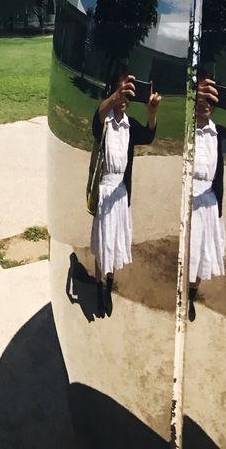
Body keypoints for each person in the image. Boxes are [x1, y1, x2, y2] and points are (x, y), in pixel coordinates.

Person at [90, 71, 160, 315]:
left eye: (127, 94)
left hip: (121, 193)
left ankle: (109, 285)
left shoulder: (130, 126)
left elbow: (149, 136)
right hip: (105, 189)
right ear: (113, 92)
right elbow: (95, 121)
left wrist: (151, 112)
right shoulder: (105, 120)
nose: (123, 98)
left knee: (116, 241)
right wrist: (113, 97)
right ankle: (98, 285)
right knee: (102, 243)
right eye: (121, 92)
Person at [188, 77, 226, 321]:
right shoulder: (187, 129)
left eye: (211, 101)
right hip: (188, 197)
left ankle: (191, 294)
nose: (206, 105)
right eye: (202, 98)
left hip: (209, 200)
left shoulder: (217, 132)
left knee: (201, 250)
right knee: (187, 248)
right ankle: (181, 288)